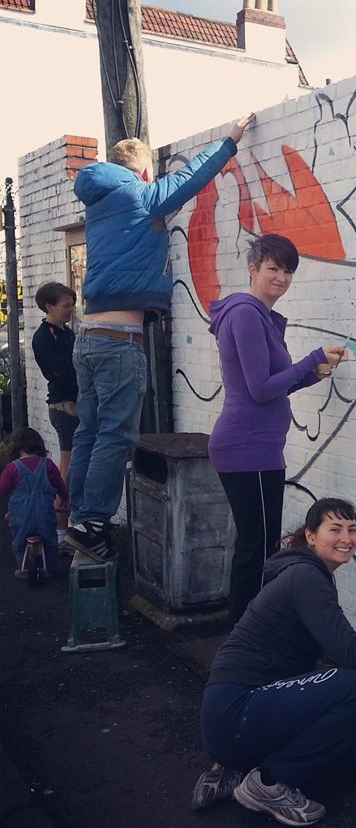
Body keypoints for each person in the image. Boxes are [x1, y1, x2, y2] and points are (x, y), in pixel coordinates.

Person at [65, 114, 255, 562]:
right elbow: (191, 178)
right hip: (118, 342)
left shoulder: (99, 203)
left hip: (88, 337)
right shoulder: (140, 196)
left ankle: (79, 519)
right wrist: (231, 139)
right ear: (145, 171)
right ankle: (93, 522)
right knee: (116, 435)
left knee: (90, 431)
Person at [191, 497, 356, 825]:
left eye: (352, 530)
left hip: (243, 713)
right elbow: (352, 653)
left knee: (355, 750)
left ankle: (234, 768)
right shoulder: (305, 577)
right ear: (311, 536)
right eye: (334, 529)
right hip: (236, 712)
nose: (346, 538)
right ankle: (268, 782)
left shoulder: (305, 573)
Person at [207, 233, 346, 623]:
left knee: (257, 547)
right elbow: (260, 389)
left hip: (257, 447)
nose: (281, 277)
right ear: (253, 270)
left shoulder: (257, 316)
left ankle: (244, 639)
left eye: (288, 271)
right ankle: (246, 643)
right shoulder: (247, 314)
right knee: (258, 551)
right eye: (273, 268)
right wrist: (310, 359)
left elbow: (276, 381)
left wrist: (315, 371)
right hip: (247, 447)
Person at [32, 282, 78, 543]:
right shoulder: (44, 337)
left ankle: (66, 528)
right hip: (64, 407)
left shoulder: (66, 332)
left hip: (74, 404)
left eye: (72, 305)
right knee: (67, 468)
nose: (70, 310)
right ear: (49, 306)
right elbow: (63, 371)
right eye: (65, 306)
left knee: (73, 466)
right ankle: (59, 532)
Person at [1, 426, 69, 580]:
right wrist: (65, 500)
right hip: (45, 513)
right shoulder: (48, 465)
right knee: (50, 540)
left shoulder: (12, 468)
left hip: (21, 515)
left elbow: (3, 489)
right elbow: (60, 485)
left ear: (16, 447)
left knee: (19, 542)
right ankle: (50, 569)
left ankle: (22, 568)